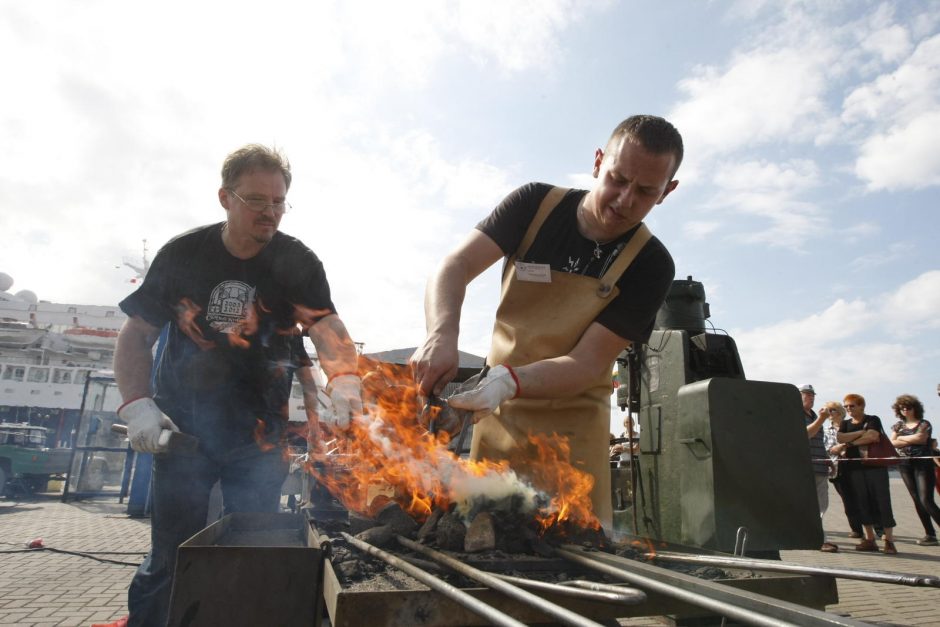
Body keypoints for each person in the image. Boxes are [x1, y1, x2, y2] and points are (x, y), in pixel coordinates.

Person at [113, 144, 362, 627]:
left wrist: (347, 377)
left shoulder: (296, 262)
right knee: (172, 554)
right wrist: (136, 404)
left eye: (278, 201)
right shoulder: (184, 255)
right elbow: (136, 335)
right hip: (184, 432)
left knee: (250, 550)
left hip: (259, 438)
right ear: (225, 197)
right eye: (256, 201)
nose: (270, 213)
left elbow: (326, 326)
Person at [411, 115, 682, 530]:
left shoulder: (651, 264)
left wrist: (508, 381)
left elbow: (587, 364)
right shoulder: (534, 205)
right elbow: (456, 263)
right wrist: (441, 333)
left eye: (646, 191)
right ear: (597, 162)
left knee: (570, 553)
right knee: (480, 539)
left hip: (573, 437)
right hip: (495, 417)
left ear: (667, 192)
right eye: (617, 179)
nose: (625, 200)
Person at [837, 393, 898, 554]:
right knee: (862, 503)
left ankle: (889, 541)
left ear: (862, 406)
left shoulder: (873, 419)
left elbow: (873, 436)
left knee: (882, 502)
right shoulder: (844, 423)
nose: (849, 409)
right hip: (854, 469)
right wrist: (860, 434)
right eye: (846, 406)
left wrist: (849, 443)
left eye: (852, 406)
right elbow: (840, 437)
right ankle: (870, 539)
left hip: (875, 468)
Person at [888, 394, 940, 546]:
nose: (905, 410)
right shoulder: (898, 425)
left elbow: (921, 439)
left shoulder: (924, 424)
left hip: (923, 464)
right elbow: (892, 443)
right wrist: (909, 439)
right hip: (904, 464)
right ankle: (930, 534)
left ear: (915, 408)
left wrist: (901, 439)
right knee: (916, 499)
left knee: (926, 499)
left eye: (908, 407)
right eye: (902, 408)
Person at [820, 401, 862, 541]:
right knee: (847, 499)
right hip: (837, 467)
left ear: (840, 412)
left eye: (832, 410)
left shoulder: (851, 426)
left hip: (856, 465)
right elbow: (824, 447)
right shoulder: (825, 430)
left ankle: (877, 528)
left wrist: (844, 446)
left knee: (863, 497)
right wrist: (835, 451)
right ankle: (856, 529)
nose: (829, 413)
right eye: (828, 411)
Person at [799, 384, 834, 551]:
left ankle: (815, 537)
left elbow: (818, 440)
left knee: (821, 506)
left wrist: (828, 460)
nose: (811, 397)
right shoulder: (794, 414)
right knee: (811, 506)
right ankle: (818, 539)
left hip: (820, 467)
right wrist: (821, 420)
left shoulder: (814, 415)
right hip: (804, 468)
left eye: (812, 394)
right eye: (806, 394)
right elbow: (805, 435)